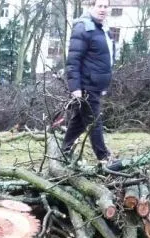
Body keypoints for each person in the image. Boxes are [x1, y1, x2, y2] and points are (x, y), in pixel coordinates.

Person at [61, 0, 114, 162]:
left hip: (96, 85)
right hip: (86, 86)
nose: (103, 9)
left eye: (106, 6)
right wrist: (75, 88)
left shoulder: (103, 29)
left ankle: (64, 151)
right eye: (99, 6)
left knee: (79, 121)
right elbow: (73, 61)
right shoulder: (83, 27)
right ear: (91, 7)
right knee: (94, 121)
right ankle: (103, 157)